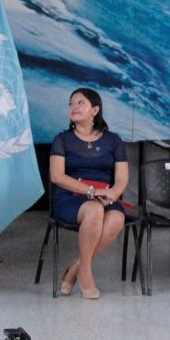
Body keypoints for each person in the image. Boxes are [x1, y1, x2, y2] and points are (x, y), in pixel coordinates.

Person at [49, 88, 129, 299]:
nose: (73, 107)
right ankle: (86, 272)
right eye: (71, 103)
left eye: (80, 103)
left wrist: (112, 194)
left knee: (116, 218)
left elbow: (122, 178)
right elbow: (57, 176)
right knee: (94, 210)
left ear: (95, 110)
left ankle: (75, 267)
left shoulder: (113, 140)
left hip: (104, 195)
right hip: (71, 196)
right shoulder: (62, 139)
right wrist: (92, 192)